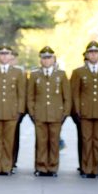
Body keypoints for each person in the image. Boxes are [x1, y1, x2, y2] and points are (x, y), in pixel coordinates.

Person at [70, 41, 98, 178]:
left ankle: (96, 169)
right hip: (85, 112)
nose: (94, 55)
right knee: (86, 141)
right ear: (87, 55)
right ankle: (86, 168)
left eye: (96, 52)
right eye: (91, 52)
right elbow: (75, 93)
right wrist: (77, 111)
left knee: (97, 141)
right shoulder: (78, 72)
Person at [27, 46, 71, 176]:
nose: (46, 60)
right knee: (40, 141)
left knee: (53, 142)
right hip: (39, 114)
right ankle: (40, 167)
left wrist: (65, 113)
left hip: (56, 114)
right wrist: (32, 112)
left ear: (53, 59)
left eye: (49, 57)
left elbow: (67, 97)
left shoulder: (61, 75)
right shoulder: (35, 74)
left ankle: (52, 167)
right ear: (40, 60)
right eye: (43, 58)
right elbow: (30, 96)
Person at [0, 45, 26, 175]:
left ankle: (7, 167)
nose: (4, 56)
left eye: (6, 54)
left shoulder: (18, 72)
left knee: (8, 142)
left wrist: (19, 111)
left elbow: (21, 94)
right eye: (1, 54)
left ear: (10, 56)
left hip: (11, 112)